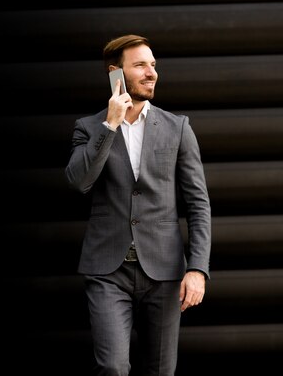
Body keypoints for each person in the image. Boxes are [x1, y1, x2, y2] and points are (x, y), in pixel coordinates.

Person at [66, 34, 211, 375]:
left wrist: (198, 269)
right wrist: (110, 124)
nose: (152, 73)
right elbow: (79, 181)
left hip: (165, 271)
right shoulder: (88, 128)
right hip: (107, 270)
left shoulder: (178, 128)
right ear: (116, 73)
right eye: (141, 65)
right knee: (114, 367)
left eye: (153, 65)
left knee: (160, 369)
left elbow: (198, 203)